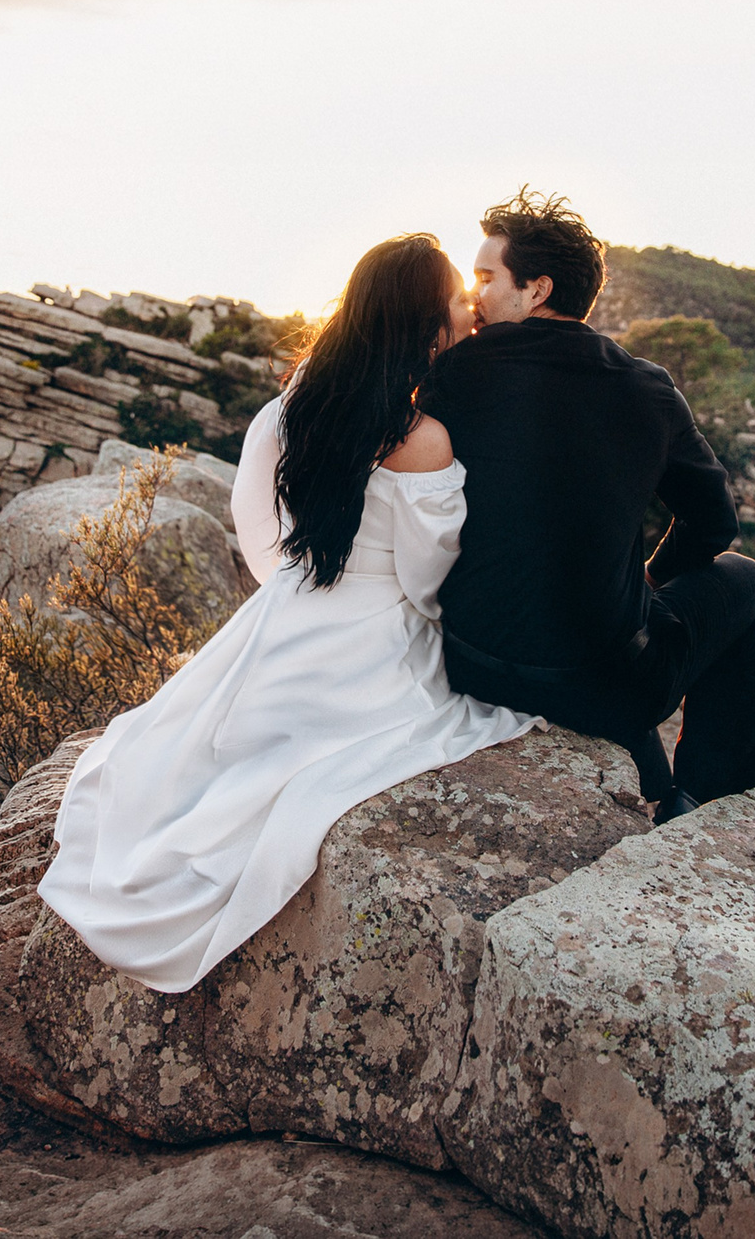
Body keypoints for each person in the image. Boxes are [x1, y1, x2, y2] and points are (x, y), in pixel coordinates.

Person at [37, 234, 536, 993]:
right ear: (426, 325)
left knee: (215, 752)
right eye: (457, 303)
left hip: (286, 612)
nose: (469, 311)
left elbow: (256, 521)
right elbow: (426, 576)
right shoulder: (423, 439)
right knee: (298, 769)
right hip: (372, 636)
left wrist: (295, 589)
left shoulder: (299, 403)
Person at [419, 189, 755, 823]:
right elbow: (714, 524)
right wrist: (649, 579)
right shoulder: (648, 388)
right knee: (746, 580)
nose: (475, 294)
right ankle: (717, 807)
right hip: (601, 683)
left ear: (536, 290)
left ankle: (665, 782)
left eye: (485, 277)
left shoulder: (453, 373)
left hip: (471, 664)